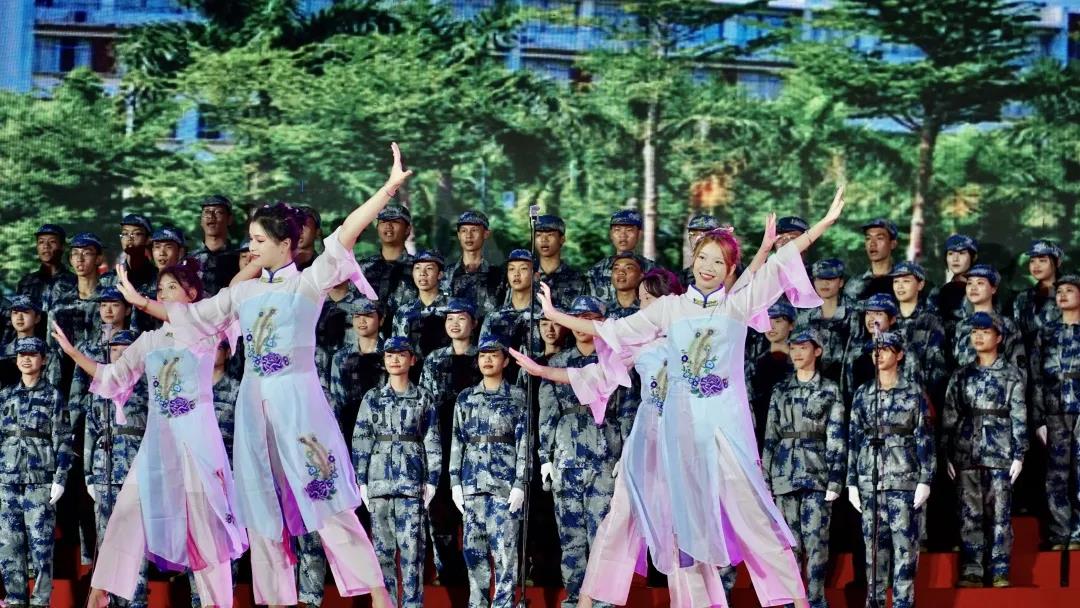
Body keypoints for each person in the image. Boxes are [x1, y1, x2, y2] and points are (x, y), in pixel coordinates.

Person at [108, 144, 413, 607]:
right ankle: (277, 600)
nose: (250, 247)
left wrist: (388, 188)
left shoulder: (307, 282)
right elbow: (193, 316)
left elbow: (346, 233)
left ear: (284, 244)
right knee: (261, 508)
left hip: (298, 402)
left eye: (258, 240)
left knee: (327, 494)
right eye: (250, 239)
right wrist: (140, 301)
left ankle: (377, 593)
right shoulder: (244, 293)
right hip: (254, 405)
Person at [536, 188, 845, 607]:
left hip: (726, 431)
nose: (708, 267)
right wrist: (556, 315)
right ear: (693, 259)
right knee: (684, 528)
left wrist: (822, 225)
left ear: (730, 269)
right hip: (680, 434)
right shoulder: (671, 309)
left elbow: (777, 266)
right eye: (703, 258)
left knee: (755, 517)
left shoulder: (737, 306)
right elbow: (615, 330)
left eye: (718, 262)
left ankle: (796, 601)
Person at [513, 268, 731, 608]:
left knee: (685, 529)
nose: (641, 308)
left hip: (686, 440)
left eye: (647, 300)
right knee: (618, 518)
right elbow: (596, 373)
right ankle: (587, 602)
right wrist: (543, 369)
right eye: (640, 300)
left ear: (667, 301)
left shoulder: (697, 333)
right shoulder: (637, 344)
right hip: (648, 437)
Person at [53, 258, 248, 608]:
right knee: (126, 513)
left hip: (197, 441)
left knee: (205, 525)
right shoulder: (151, 340)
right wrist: (72, 353)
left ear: (192, 294)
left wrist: (258, 262)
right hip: (158, 442)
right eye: (160, 289)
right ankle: (101, 593)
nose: (164, 294)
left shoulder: (206, 328)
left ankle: (217, 603)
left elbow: (234, 292)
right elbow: (112, 376)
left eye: (172, 287)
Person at [538, 295, 640, 608]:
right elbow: (547, 413)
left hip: (605, 460)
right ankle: (574, 600)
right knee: (571, 540)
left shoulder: (617, 361)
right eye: (578, 318)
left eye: (590, 318)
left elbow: (628, 411)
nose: (583, 325)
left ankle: (602, 602)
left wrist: (628, 453)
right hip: (566, 461)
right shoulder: (558, 363)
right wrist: (545, 458)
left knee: (603, 538)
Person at [846, 331, 934, 608]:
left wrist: (925, 479)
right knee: (874, 555)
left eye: (885, 349)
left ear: (899, 354)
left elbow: (924, 437)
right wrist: (851, 482)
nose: (879, 354)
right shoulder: (863, 394)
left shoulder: (913, 392)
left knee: (905, 552)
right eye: (876, 349)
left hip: (903, 481)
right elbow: (853, 438)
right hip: (870, 480)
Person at [353, 336, 440, 608]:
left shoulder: (423, 397)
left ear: (412, 360)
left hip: (411, 485)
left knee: (413, 554)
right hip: (379, 484)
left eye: (401, 355)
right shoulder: (373, 398)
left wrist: (433, 479)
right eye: (389, 355)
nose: (394, 360)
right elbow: (361, 439)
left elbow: (432, 440)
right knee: (382, 555)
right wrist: (361, 480)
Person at [762, 329, 846, 608]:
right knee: (788, 547)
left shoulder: (829, 390)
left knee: (816, 544)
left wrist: (835, 479)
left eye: (803, 347)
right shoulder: (780, 390)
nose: (797, 353)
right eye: (794, 347)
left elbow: (836, 436)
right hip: (784, 476)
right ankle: (792, 603)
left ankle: (816, 601)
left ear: (817, 351)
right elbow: (771, 436)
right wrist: (765, 479)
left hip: (816, 475)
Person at [942, 312, 1026, 587]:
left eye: (985, 331)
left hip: (1000, 454)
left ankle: (1000, 568)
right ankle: (972, 569)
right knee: (969, 514)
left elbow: (1019, 415)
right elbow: (950, 416)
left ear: (999, 337)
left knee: (1000, 514)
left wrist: (1019, 453)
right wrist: (947, 452)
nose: (978, 336)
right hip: (966, 453)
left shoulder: (1011, 375)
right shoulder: (961, 375)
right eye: (974, 332)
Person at [450, 336, 528, 608]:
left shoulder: (517, 397)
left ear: (505, 361)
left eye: (493, 355)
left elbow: (524, 443)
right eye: (483, 355)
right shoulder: (465, 398)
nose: (487, 359)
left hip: (503, 488)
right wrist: (454, 481)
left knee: (505, 554)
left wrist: (520, 482)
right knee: (474, 555)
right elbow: (458, 440)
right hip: (472, 486)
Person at [0, 337, 73, 608]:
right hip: (7, 481)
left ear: (43, 359)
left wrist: (60, 478)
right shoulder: (5, 396)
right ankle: (15, 600)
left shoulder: (53, 396)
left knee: (41, 548)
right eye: (22, 354)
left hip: (40, 482)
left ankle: (41, 602)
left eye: (32, 354)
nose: (26, 359)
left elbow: (63, 439)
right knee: (9, 547)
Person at [419, 298, 482, 586]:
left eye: (461, 318)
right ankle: (446, 571)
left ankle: (475, 571)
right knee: (440, 509)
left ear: (474, 323)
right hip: (442, 440)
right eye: (450, 319)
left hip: (476, 443)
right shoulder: (434, 360)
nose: (455, 324)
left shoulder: (483, 356)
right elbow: (425, 403)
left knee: (473, 508)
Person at [1030, 273, 1080, 550]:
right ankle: (1060, 533)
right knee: (1056, 475)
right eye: (1059, 291)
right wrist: (1039, 418)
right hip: (1054, 411)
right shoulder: (1046, 333)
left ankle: (1079, 533)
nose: (1062, 295)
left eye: (1069, 290)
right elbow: (1036, 378)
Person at [950, 265, 1025, 374]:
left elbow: (1019, 370)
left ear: (993, 289)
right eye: (969, 283)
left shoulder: (1007, 325)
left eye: (980, 283)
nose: (973, 288)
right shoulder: (961, 326)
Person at [795, 259, 858, 390]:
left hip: (847, 385)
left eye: (830, 278)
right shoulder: (804, 318)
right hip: (812, 388)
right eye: (819, 279)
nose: (824, 283)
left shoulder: (854, 314)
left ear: (841, 282)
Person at [330, 298, 387, 441]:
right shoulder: (340, 357)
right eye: (357, 316)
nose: (362, 321)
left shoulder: (391, 355)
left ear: (381, 320)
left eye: (368, 315)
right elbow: (337, 399)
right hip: (351, 425)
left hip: (385, 425)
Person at [359, 204, 417, 335]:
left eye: (395, 221)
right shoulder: (363, 268)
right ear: (377, 227)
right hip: (370, 342)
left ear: (408, 229)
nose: (388, 226)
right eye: (383, 221)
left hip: (406, 343)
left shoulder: (418, 268)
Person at [747, 302, 796, 449]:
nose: (771, 327)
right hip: (762, 435)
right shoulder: (754, 365)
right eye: (767, 321)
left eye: (778, 321)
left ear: (791, 325)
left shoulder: (801, 362)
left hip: (793, 436)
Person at [441, 211, 504, 323]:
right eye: (464, 231)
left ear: (486, 234)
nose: (468, 235)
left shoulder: (498, 275)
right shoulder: (447, 274)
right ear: (458, 235)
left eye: (474, 230)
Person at [481, 249, 545, 356]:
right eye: (511, 269)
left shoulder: (544, 315)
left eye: (523, 268)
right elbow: (484, 354)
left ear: (536, 276)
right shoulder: (494, 317)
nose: (516, 274)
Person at [393, 250, 452, 359]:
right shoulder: (403, 311)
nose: (422, 273)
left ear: (440, 274)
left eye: (429, 268)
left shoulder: (452, 308)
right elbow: (396, 347)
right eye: (417, 268)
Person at [587, 210, 654, 304]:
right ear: (611, 234)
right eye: (617, 230)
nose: (623, 235)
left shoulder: (653, 271)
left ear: (639, 234)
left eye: (629, 230)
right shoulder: (595, 272)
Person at [16, 223, 77, 317]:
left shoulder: (74, 282)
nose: (46, 246)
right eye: (41, 242)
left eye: (52, 242)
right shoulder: (26, 283)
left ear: (62, 246)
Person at [191, 194, 241, 297]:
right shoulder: (190, 260)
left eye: (218, 212)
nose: (211, 216)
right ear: (201, 220)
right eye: (207, 212)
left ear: (229, 219)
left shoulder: (240, 259)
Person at [533, 215, 586, 310]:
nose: (544, 240)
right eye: (538, 235)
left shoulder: (577, 279)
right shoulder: (526, 275)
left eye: (550, 235)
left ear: (562, 239)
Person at [928, 234, 977, 328]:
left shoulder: (982, 290)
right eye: (950, 253)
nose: (955, 259)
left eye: (961, 253)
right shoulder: (938, 292)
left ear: (973, 257)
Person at [843, 219, 898, 302]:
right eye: (868, 238)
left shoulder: (903, 282)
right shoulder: (854, 284)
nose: (872, 243)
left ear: (893, 244)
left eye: (879, 238)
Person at [680, 215, 721, 287]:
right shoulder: (683, 276)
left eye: (705, 234)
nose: (698, 239)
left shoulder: (732, 272)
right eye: (693, 234)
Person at [607, 253, 643, 320]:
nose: (621, 272)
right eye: (616, 268)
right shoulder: (602, 310)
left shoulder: (648, 308)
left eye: (628, 268)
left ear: (641, 276)